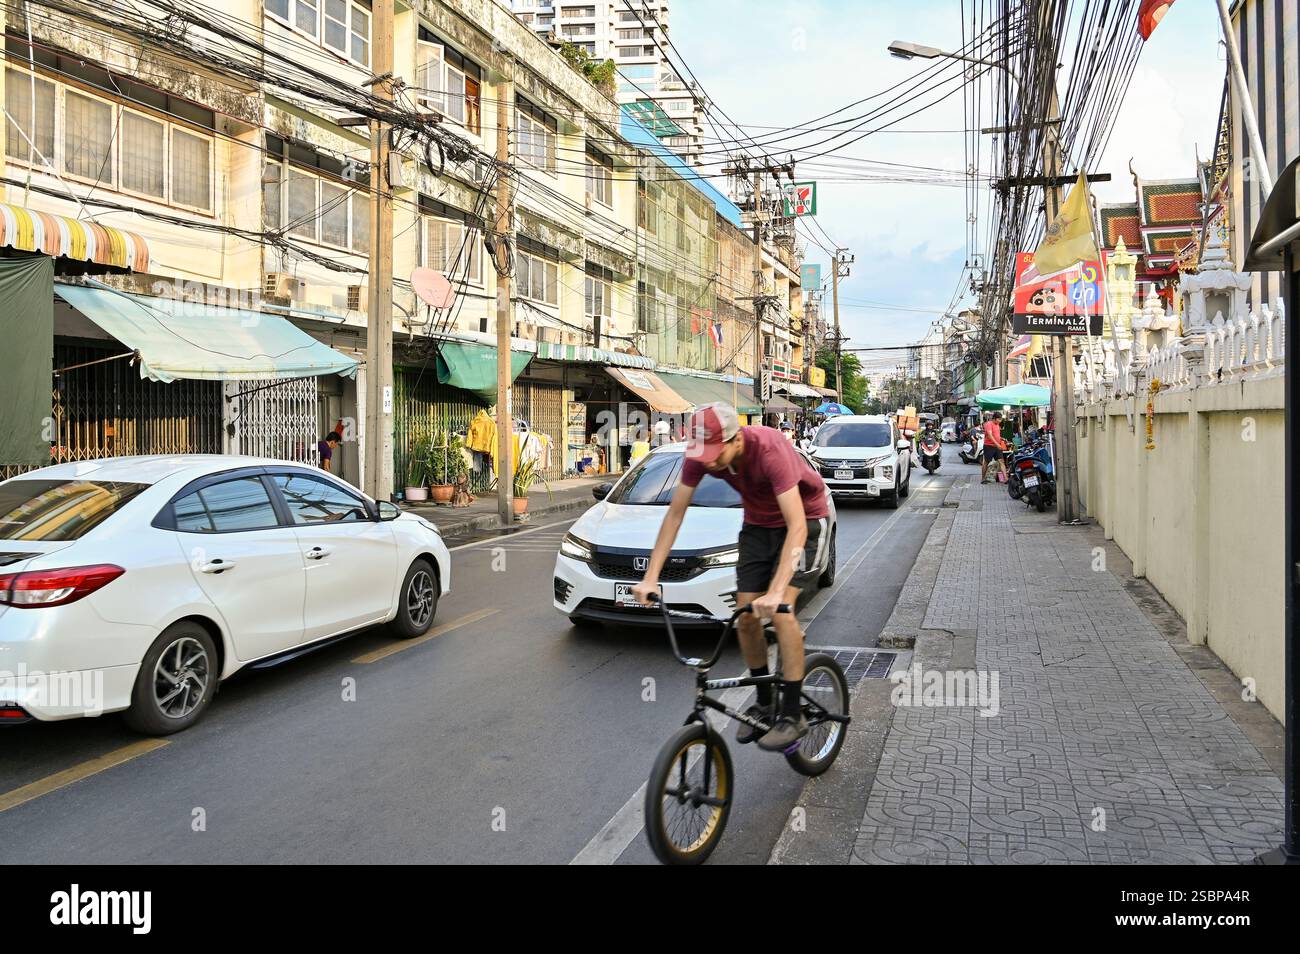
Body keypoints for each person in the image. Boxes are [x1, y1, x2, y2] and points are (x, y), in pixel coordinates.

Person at [631, 403, 830, 751]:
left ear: (736, 438)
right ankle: (766, 701)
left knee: (781, 610)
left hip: (805, 521)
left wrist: (777, 589)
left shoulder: (769, 449)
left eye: (714, 452)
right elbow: (675, 515)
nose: (707, 462)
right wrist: (651, 577)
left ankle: (793, 713)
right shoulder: (701, 456)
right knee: (745, 617)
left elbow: (797, 526)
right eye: (702, 453)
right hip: (757, 526)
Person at [981, 412, 1007, 484]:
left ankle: (1006, 478)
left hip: (997, 446)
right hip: (989, 446)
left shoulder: (997, 425)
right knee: (986, 462)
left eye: (1001, 419)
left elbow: (996, 435)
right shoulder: (988, 424)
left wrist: (1001, 438)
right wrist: (996, 444)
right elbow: (990, 435)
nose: (1000, 421)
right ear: (994, 418)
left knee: (1001, 461)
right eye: (999, 419)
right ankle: (983, 478)